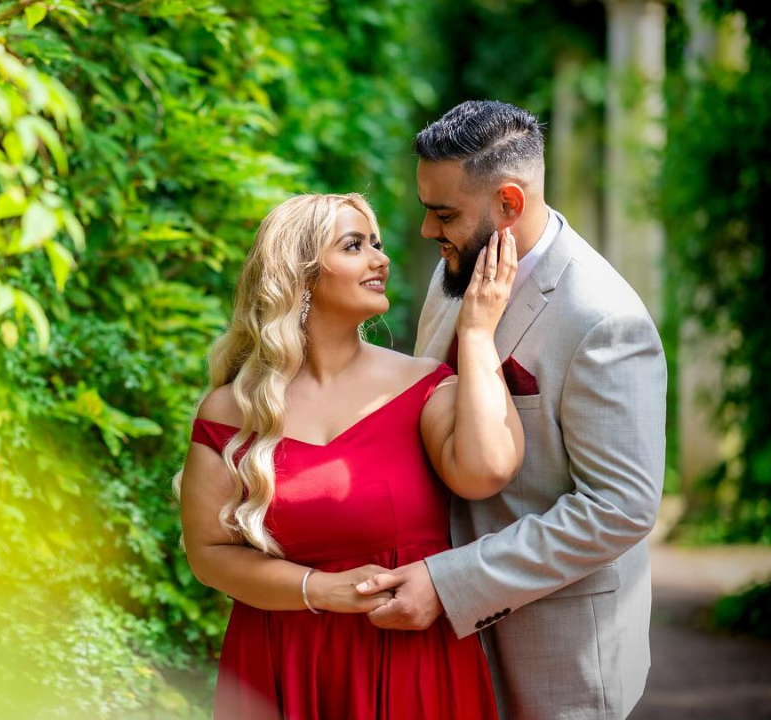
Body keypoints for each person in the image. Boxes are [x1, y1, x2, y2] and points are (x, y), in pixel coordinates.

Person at [356, 100, 666, 720]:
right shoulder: (454, 284)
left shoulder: (604, 319)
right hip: (438, 650)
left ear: (510, 204)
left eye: (443, 214)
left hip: (557, 656)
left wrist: (452, 584)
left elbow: (621, 508)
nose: (425, 232)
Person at [176, 191, 523, 719]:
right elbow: (209, 555)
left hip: (412, 663)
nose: (381, 259)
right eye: (355, 245)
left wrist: (476, 334)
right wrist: (320, 590)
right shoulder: (233, 409)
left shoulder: (424, 385)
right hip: (281, 666)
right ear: (302, 274)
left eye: (377, 244)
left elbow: (486, 470)